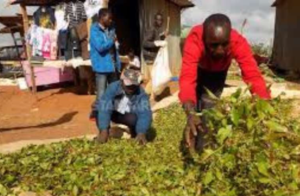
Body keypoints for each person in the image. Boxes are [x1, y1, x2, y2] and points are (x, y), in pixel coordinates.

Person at [179, 14, 271, 151]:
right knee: (196, 105)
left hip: (218, 74)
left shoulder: (238, 41)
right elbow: (187, 77)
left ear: (229, 38)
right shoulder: (195, 38)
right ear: (205, 39)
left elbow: (253, 75)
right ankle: (194, 127)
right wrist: (190, 112)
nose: (220, 50)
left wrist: (265, 109)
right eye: (213, 45)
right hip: (199, 70)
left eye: (224, 44)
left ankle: (203, 150)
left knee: (209, 106)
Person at [95, 66, 153, 145]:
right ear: (121, 82)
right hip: (114, 113)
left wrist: (142, 132)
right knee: (98, 107)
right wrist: (104, 129)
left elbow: (145, 113)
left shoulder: (140, 93)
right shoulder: (113, 87)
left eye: (133, 85)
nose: (131, 88)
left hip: (127, 115)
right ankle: (103, 133)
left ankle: (135, 133)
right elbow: (105, 107)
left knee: (134, 119)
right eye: (128, 85)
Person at [89, 8, 121, 120]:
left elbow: (115, 45)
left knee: (115, 91)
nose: (111, 20)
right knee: (101, 94)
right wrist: (112, 40)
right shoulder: (94, 30)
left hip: (112, 65)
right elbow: (100, 47)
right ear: (102, 17)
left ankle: (113, 114)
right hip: (101, 66)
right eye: (109, 18)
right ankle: (97, 114)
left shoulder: (111, 29)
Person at [143, 13, 167, 100]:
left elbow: (158, 39)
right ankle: (152, 98)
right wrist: (157, 43)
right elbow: (145, 43)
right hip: (149, 56)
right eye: (158, 19)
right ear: (154, 20)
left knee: (154, 76)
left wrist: (163, 37)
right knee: (154, 77)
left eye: (161, 20)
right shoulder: (151, 29)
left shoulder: (157, 30)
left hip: (154, 56)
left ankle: (145, 94)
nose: (160, 22)